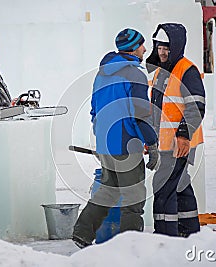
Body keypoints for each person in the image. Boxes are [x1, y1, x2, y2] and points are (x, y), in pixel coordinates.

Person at [72, 28, 160, 248]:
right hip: (126, 144)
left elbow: (94, 108)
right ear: (132, 48)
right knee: (133, 199)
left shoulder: (102, 73)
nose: (145, 49)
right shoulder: (134, 74)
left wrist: (101, 133)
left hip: (105, 143)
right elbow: (140, 114)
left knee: (108, 193)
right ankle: (129, 246)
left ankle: (82, 233)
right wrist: (151, 142)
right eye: (141, 45)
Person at [146, 23, 206, 237]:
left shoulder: (186, 70)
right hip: (165, 142)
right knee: (180, 184)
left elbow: (196, 107)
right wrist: (150, 138)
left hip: (180, 141)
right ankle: (189, 229)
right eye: (159, 47)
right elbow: (157, 109)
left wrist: (183, 135)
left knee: (163, 186)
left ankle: (165, 235)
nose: (162, 52)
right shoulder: (161, 72)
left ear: (177, 47)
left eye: (166, 48)